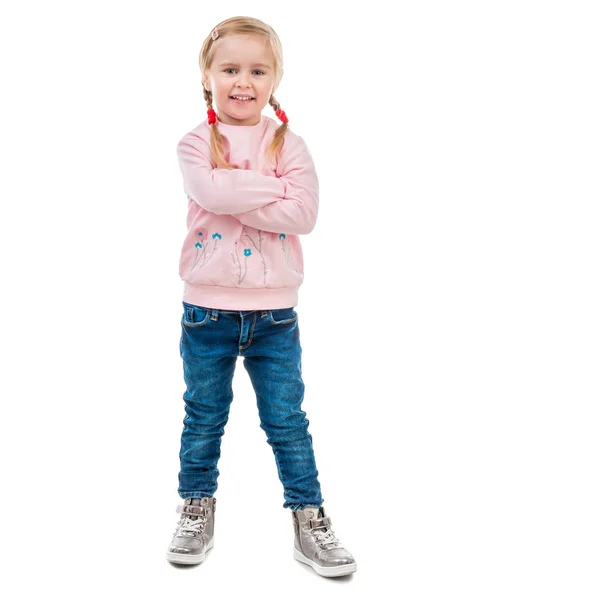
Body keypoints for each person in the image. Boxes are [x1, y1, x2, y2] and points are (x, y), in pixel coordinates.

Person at [165, 16, 357, 578]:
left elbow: (306, 214)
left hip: (275, 315)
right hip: (207, 312)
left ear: (275, 79)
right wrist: (273, 188)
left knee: (287, 420)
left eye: (257, 70)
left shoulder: (287, 142)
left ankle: (309, 519)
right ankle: (195, 507)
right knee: (203, 416)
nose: (242, 81)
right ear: (207, 76)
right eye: (230, 69)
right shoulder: (195, 142)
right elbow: (207, 188)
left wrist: (235, 192)